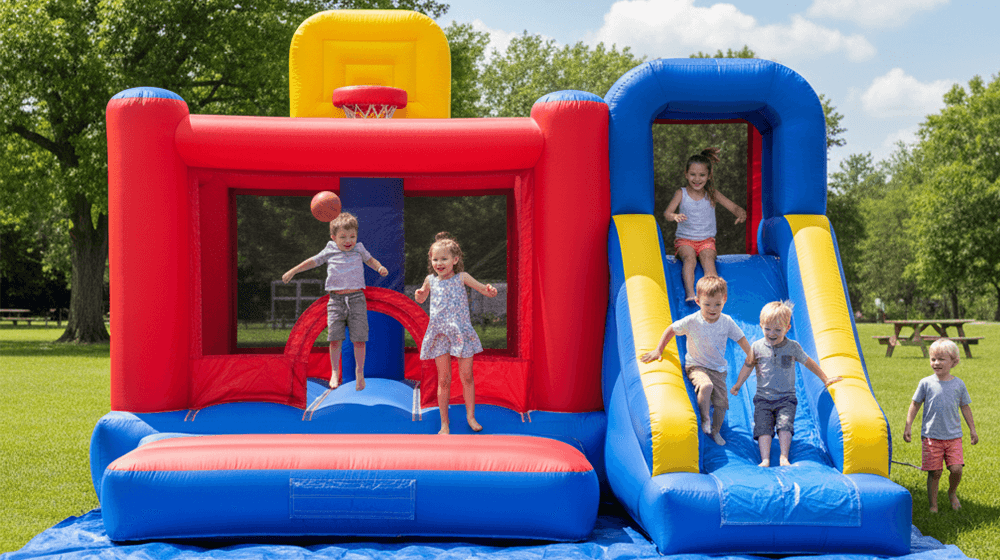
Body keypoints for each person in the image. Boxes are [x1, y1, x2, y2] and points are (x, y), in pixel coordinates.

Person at [282, 211, 388, 391]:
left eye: (352, 236)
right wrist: (293, 271)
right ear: (333, 237)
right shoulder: (330, 249)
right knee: (335, 338)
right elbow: (312, 261)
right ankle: (334, 372)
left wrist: (379, 267)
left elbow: (370, 260)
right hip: (336, 300)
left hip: (356, 298)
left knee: (359, 338)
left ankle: (359, 372)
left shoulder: (359, 248)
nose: (348, 241)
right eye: (343, 237)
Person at [640, 275, 750, 445]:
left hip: (718, 369)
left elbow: (741, 338)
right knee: (706, 386)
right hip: (696, 365)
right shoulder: (692, 321)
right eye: (707, 304)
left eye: (717, 304)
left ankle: (716, 431)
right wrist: (658, 349)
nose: (712, 309)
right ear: (698, 301)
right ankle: (705, 418)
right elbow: (671, 329)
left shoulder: (726, 321)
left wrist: (751, 355)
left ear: (725, 300)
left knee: (721, 405)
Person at [730, 301, 843, 467]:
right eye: (767, 329)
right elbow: (748, 366)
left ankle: (784, 457)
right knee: (763, 428)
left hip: (786, 398)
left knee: (785, 426)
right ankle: (765, 459)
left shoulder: (792, 347)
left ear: (787, 328)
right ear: (761, 325)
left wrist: (825, 379)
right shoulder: (757, 347)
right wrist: (738, 384)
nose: (772, 333)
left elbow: (809, 363)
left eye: (778, 330)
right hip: (763, 398)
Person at [414, 232, 498, 435]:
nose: (439, 263)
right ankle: (445, 423)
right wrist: (419, 294)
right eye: (435, 259)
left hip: (460, 332)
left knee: (466, 376)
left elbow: (482, 289)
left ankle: (470, 416)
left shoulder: (462, 277)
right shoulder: (430, 280)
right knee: (443, 379)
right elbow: (422, 298)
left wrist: (490, 290)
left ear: (455, 260)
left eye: (444, 259)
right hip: (440, 334)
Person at [903, 338, 978, 512]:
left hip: (954, 437)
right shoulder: (926, 383)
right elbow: (915, 404)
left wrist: (972, 430)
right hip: (931, 436)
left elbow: (965, 408)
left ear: (954, 362)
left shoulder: (958, 384)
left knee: (957, 469)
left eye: (941, 359)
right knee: (935, 472)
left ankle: (952, 493)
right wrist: (908, 426)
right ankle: (933, 506)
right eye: (933, 359)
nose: (936, 363)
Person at [663, 148, 747, 302]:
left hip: (706, 241)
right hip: (685, 240)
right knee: (690, 259)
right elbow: (667, 214)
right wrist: (674, 216)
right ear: (686, 174)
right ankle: (690, 294)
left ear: (709, 176)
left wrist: (740, 212)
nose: (697, 179)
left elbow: (732, 206)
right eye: (693, 174)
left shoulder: (712, 194)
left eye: (702, 175)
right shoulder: (681, 193)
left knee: (708, 259)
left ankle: (713, 295)